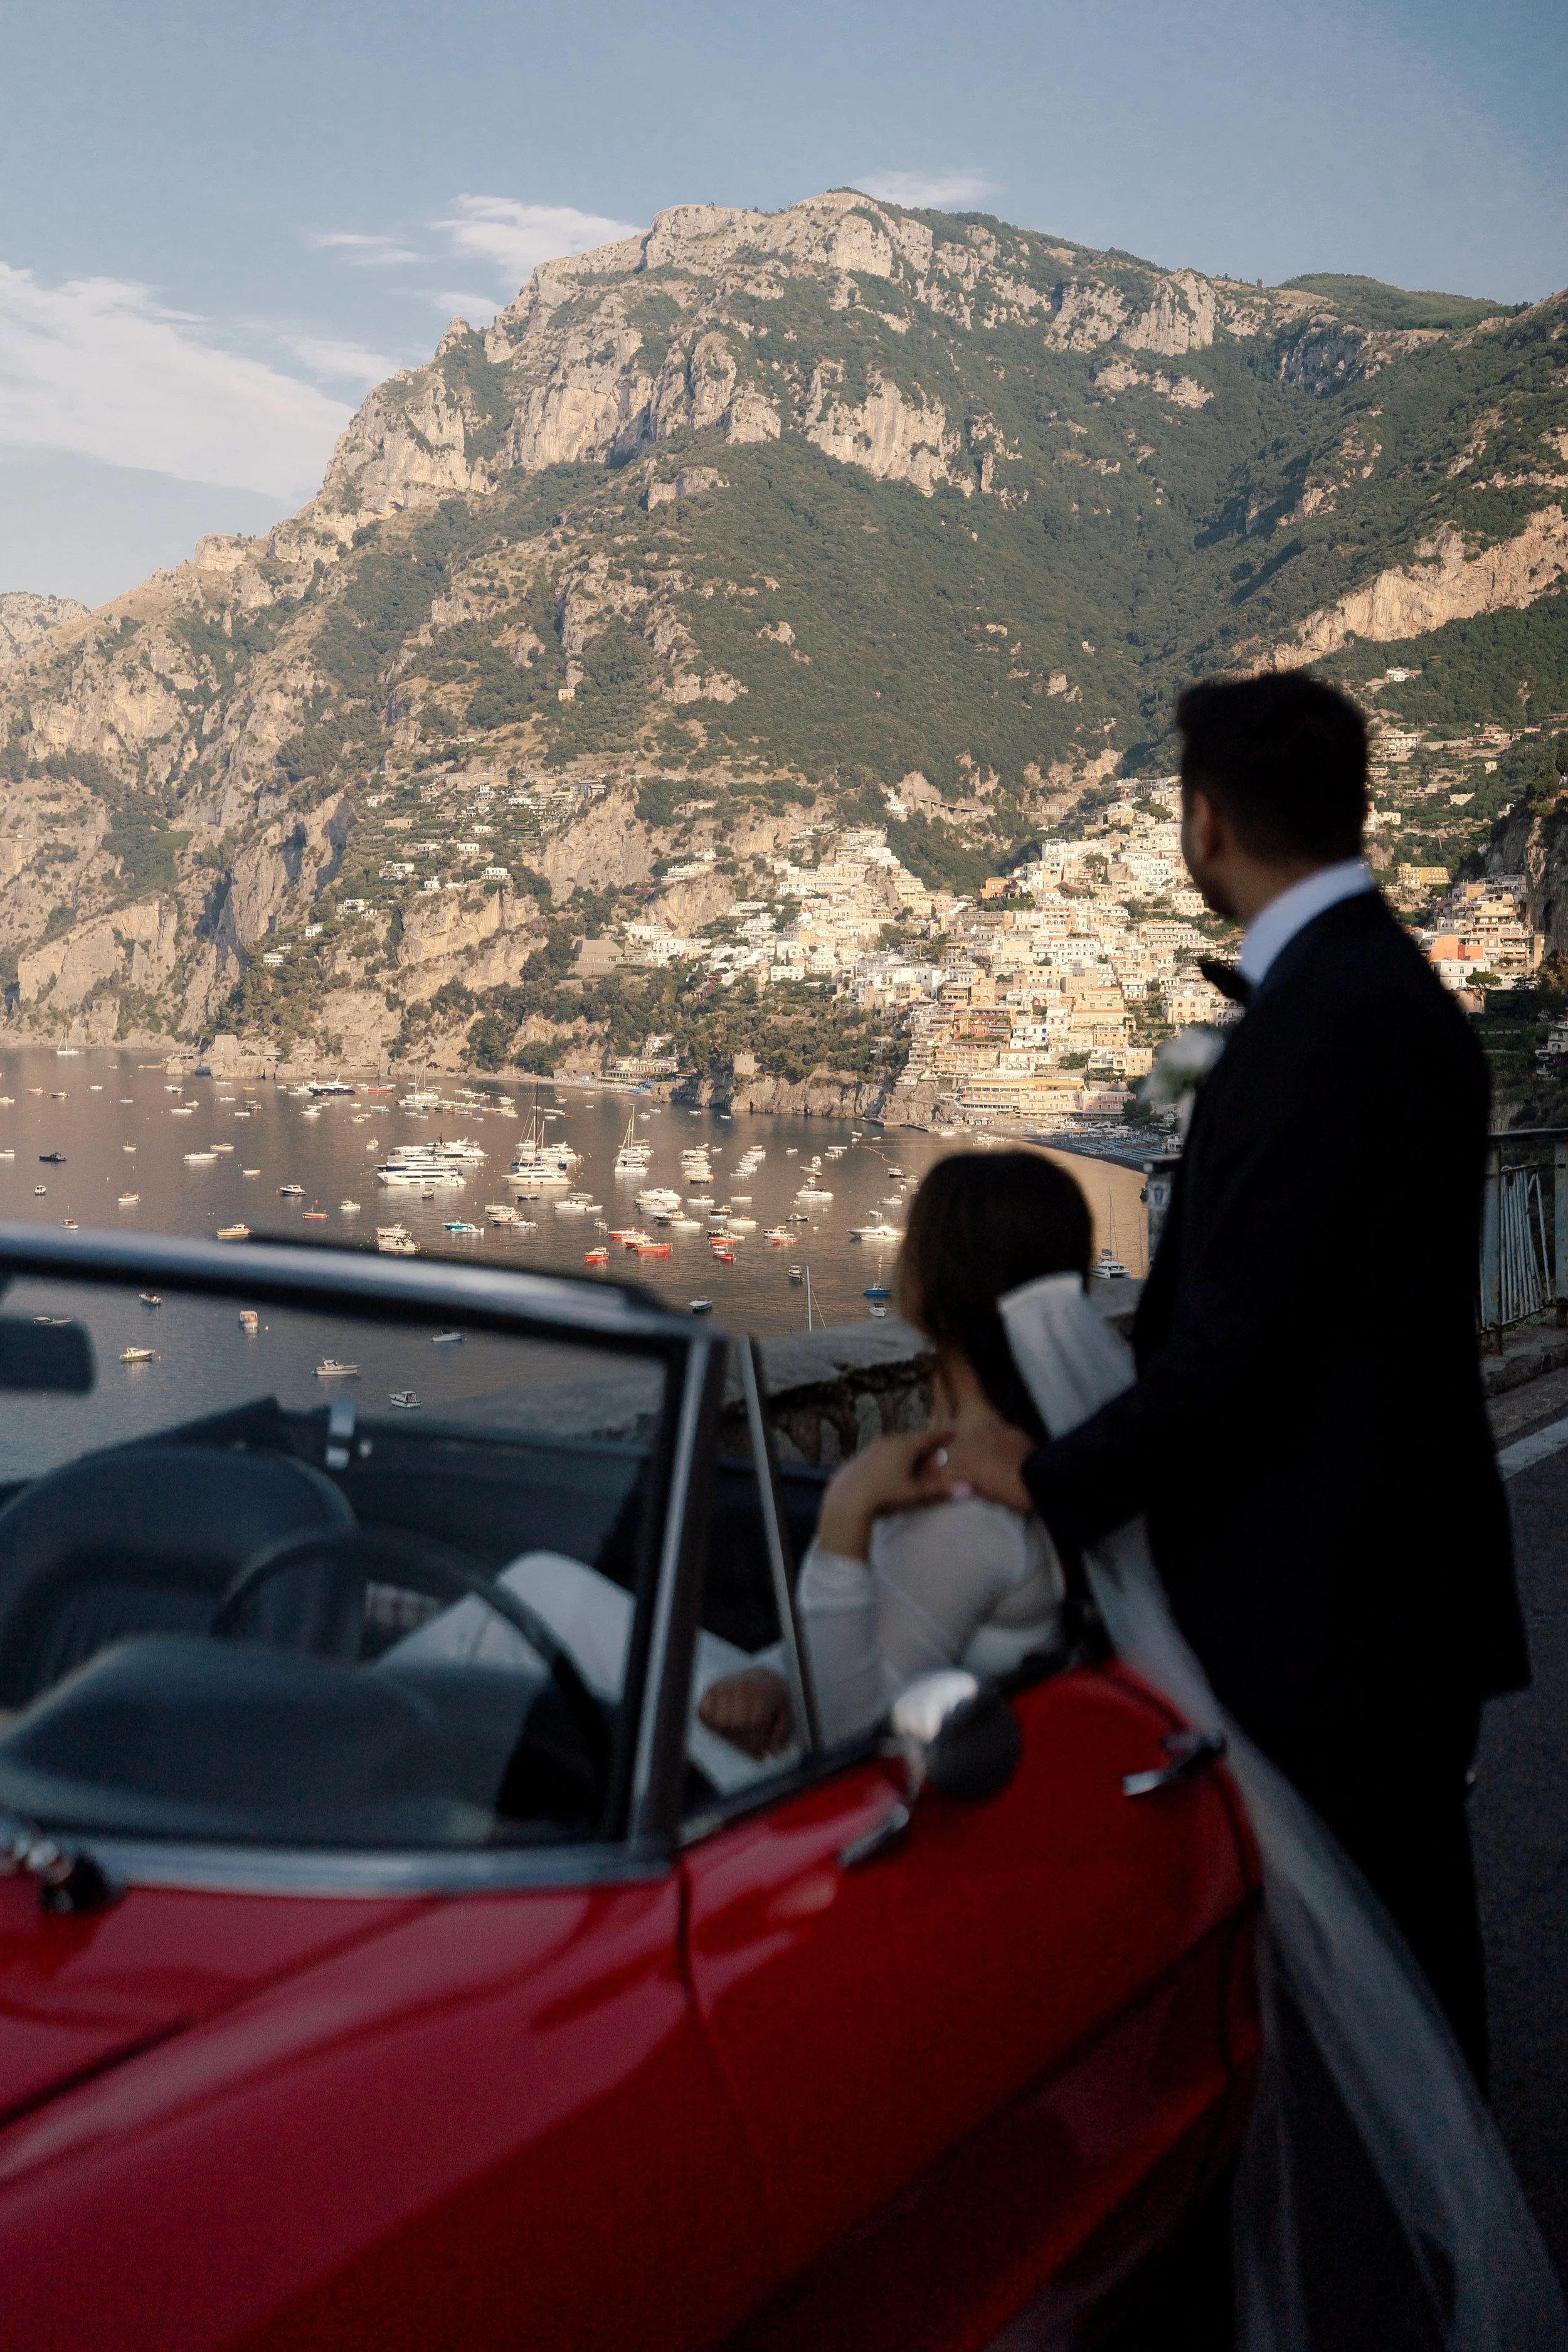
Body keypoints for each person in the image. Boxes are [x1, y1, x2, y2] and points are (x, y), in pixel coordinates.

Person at [947, 670, 1527, 2086]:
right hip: (1387, 1582)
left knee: (1364, 2017)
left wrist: (1046, 1477)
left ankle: (1416, 2292)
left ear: (1203, 824)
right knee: (1399, 2000)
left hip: (1327, 1604)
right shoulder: (1395, 996)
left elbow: (1236, 1351)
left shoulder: (1317, 1026)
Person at [698, 1150, 1093, 1760]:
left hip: (807, 1792)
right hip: (832, 1716)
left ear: (932, 1283)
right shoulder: (1053, 1455)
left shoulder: (968, 1504)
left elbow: (847, 1737)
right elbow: (891, 1632)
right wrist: (773, 1673)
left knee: (546, 1591)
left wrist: (846, 1511)